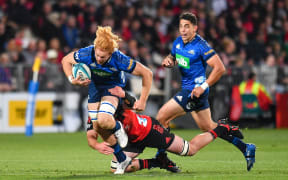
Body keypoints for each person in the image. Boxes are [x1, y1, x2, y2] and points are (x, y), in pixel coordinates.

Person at [156, 12, 256, 171]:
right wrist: (169, 60)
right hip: (189, 91)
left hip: (194, 91)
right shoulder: (177, 42)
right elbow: (173, 56)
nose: (183, 30)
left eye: (187, 26)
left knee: (162, 116)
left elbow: (220, 68)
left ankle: (161, 156)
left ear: (195, 28)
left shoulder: (200, 46)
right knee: (209, 127)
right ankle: (245, 147)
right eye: (181, 26)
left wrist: (203, 86)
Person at [86, 86, 252, 174]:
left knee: (190, 150)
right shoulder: (94, 112)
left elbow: (134, 104)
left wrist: (124, 94)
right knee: (116, 168)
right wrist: (96, 145)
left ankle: (222, 128)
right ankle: (157, 162)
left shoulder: (113, 101)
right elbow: (91, 136)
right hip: (132, 141)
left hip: (150, 131)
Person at [62, 26, 153, 174]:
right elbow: (66, 60)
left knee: (104, 120)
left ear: (110, 53)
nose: (98, 59)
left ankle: (118, 128)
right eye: (97, 55)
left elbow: (147, 73)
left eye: (103, 57)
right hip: (94, 88)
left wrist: (142, 100)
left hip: (112, 88)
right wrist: (72, 79)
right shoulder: (87, 53)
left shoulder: (119, 59)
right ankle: (122, 159)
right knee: (98, 127)